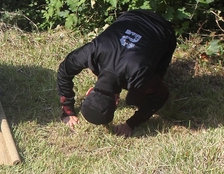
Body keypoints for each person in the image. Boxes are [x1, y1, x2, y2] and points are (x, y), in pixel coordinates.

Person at [57, 9, 176, 137]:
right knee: (137, 93)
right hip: (133, 14)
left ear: (117, 101)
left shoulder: (139, 76)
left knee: (137, 99)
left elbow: (161, 96)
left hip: (163, 30)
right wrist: (67, 110)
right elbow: (64, 69)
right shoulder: (93, 51)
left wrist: (132, 123)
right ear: (90, 91)